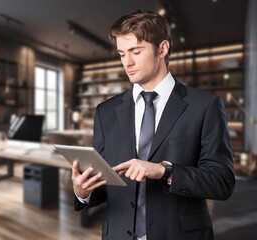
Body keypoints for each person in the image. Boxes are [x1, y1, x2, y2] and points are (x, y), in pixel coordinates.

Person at [72, 10, 235, 240]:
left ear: (162, 48)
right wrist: (83, 192)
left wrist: (164, 171)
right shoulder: (105, 112)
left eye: (136, 52)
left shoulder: (205, 106)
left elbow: (222, 182)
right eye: (121, 54)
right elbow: (104, 182)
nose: (127, 62)